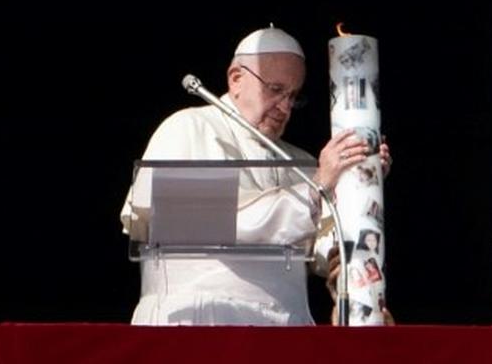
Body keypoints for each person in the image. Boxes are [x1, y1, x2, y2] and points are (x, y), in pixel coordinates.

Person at [120, 26, 390, 325]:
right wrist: (317, 186)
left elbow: (328, 250)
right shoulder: (187, 128)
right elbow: (213, 224)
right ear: (236, 79)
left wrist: (359, 180)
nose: (286, 107)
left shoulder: (300, 162)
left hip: (287, 327)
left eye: (293, 96)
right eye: (275, 90)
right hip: (200, 321)